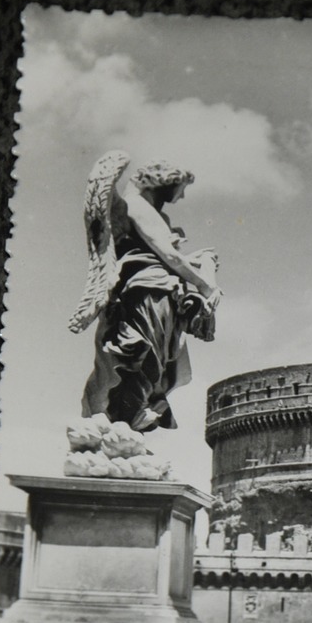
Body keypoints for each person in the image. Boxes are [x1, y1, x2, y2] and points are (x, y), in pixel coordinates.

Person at [74, 154, 223, 434]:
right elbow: (169, 256)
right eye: (181, 188)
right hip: (146, 291)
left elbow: (169, 259)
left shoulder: (157, 214)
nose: (180, 197)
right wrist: (205, 284)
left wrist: (200, 262)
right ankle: (125, 417)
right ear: (165, 182)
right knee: (144, 354)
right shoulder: (136, 206)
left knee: (161, 358)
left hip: (163, 291)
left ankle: (130, 419)